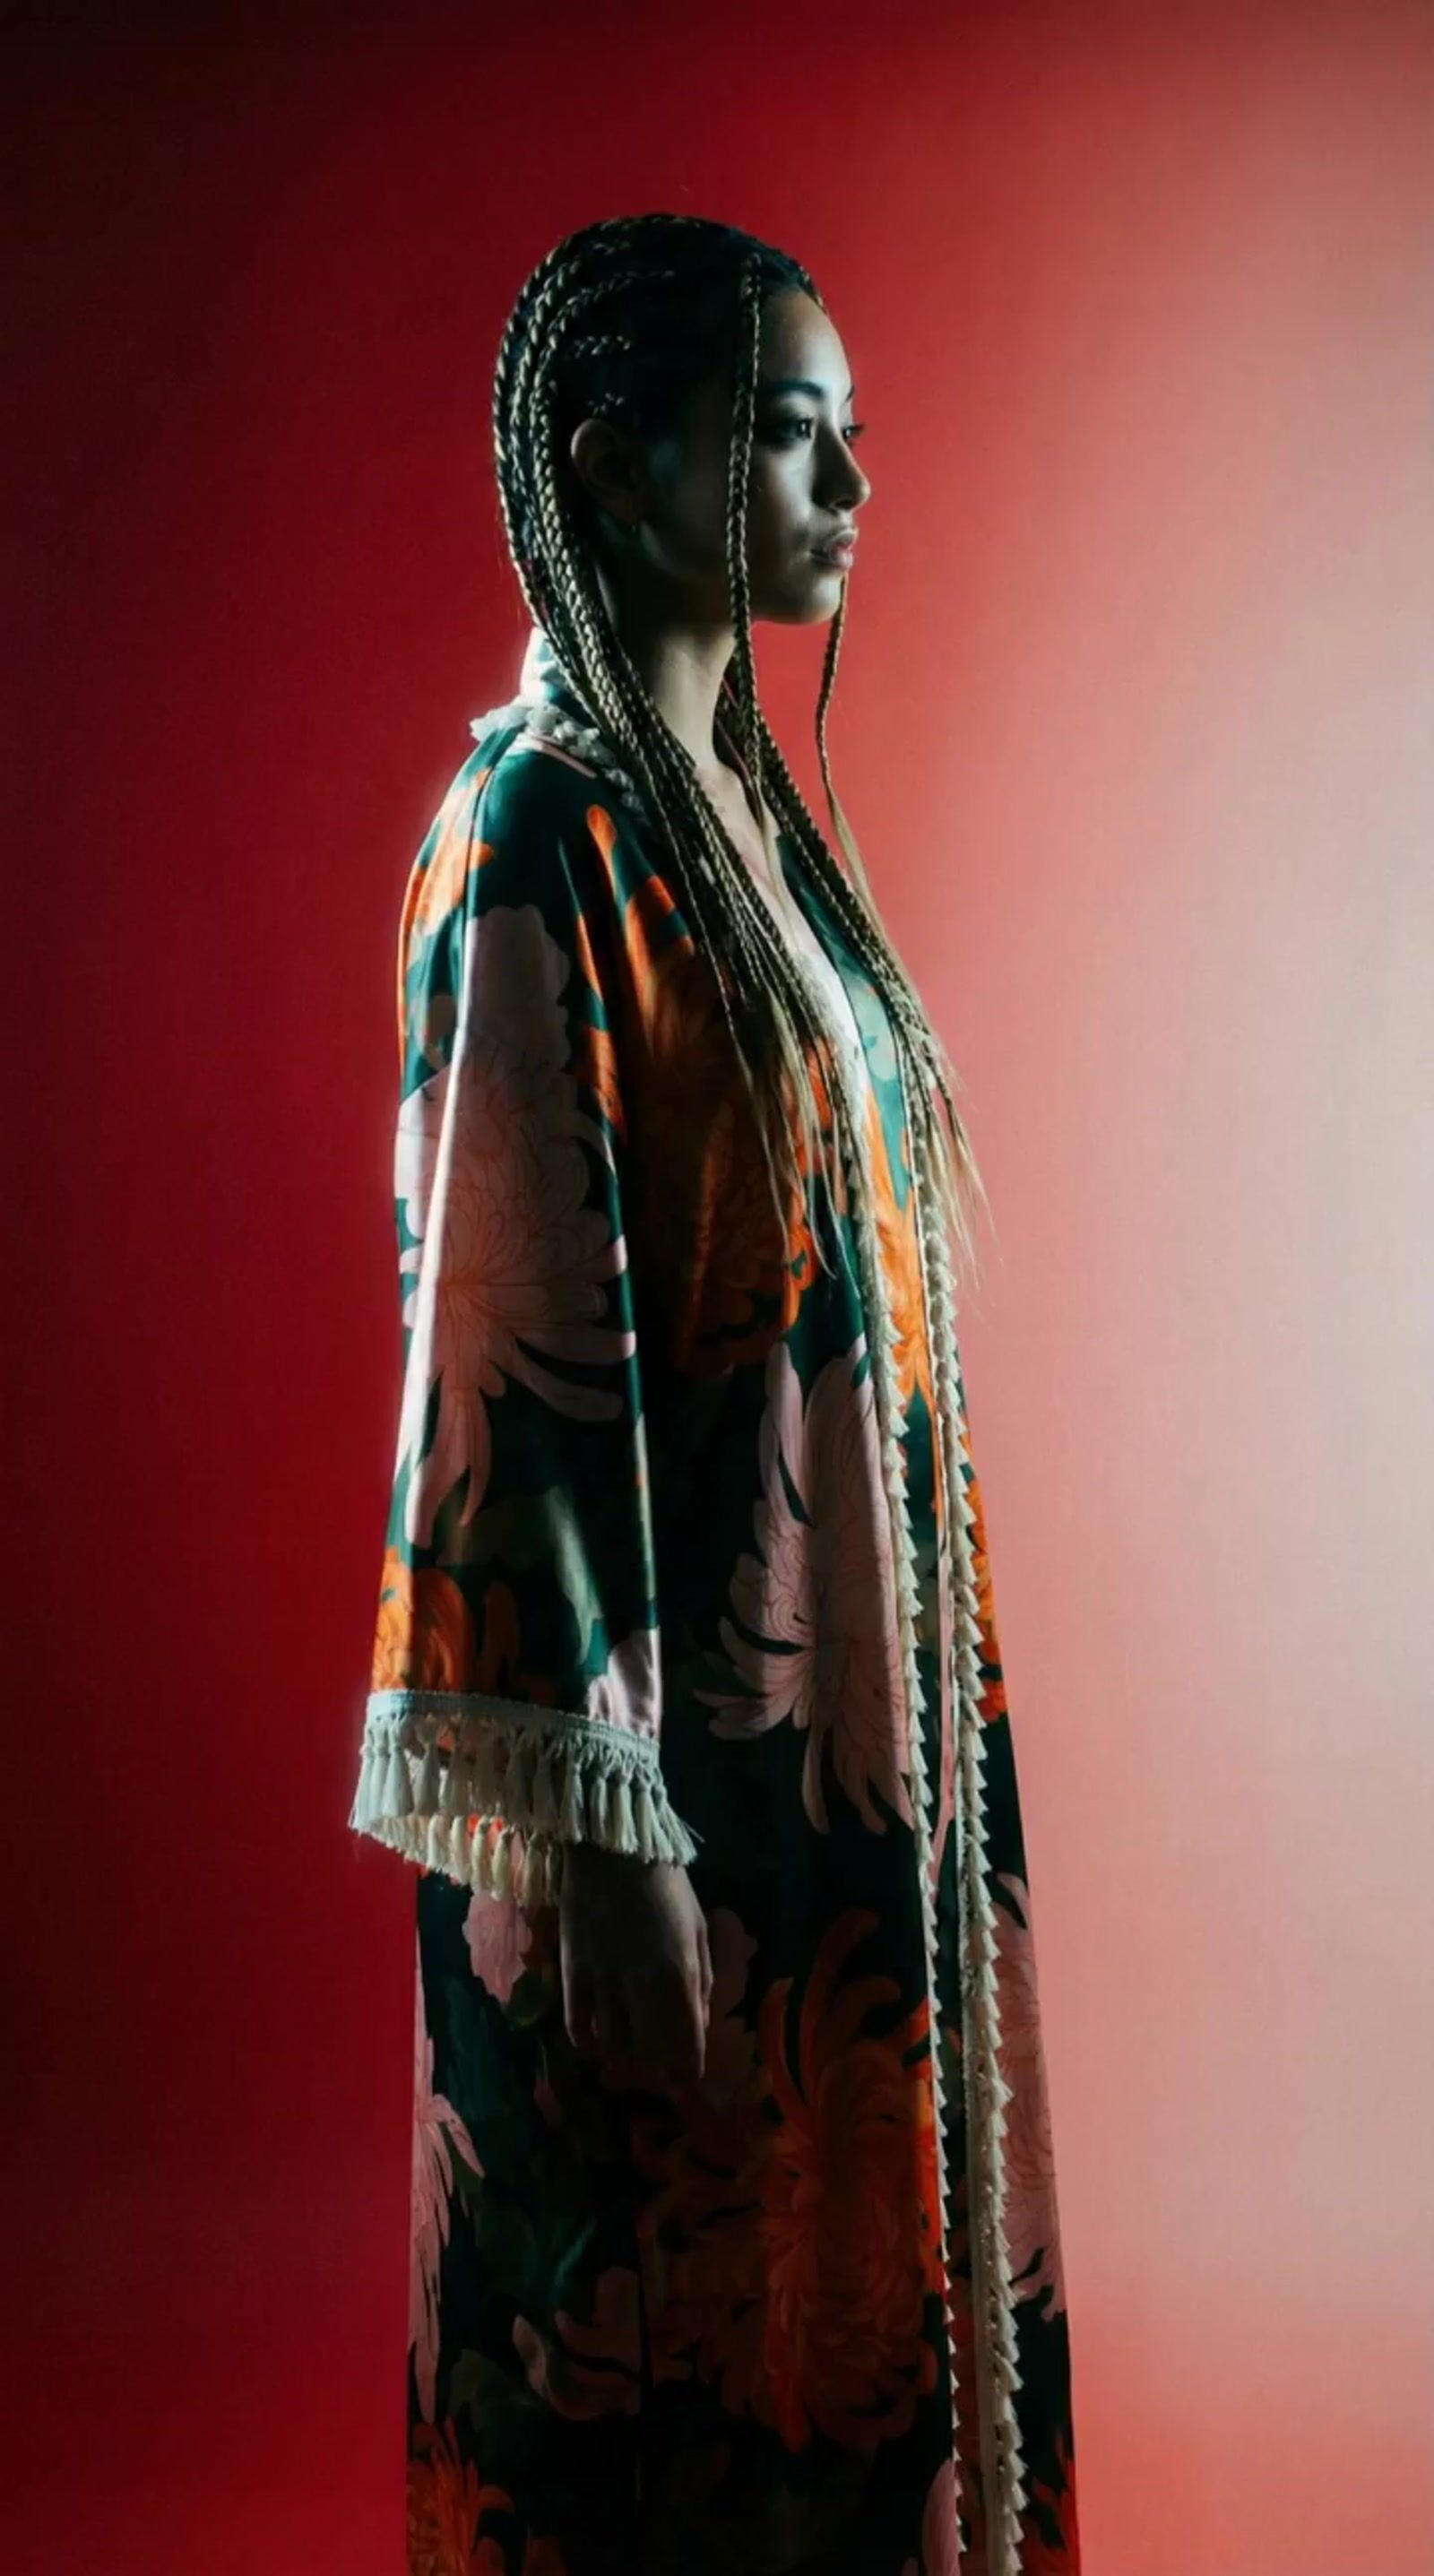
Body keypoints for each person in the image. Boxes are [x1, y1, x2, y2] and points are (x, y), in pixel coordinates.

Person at [349, 213, 1081, 2576]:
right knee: (668, 2356)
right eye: (787, 431)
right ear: (614, 457)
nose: (850, 484)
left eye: (851, 433)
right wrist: (608, 1841)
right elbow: (505, 1345)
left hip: (838, 1731)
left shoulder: (748, 817)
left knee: (849, 2323)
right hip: (662, 1777)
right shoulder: (537, 830)